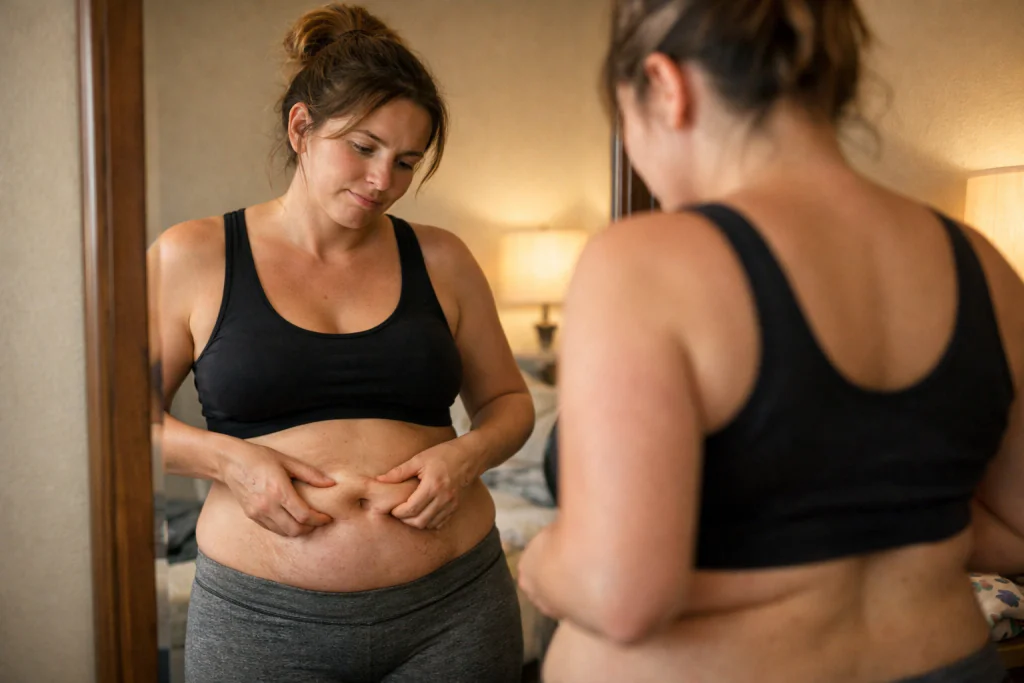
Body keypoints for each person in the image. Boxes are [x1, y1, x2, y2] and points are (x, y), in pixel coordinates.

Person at [518, 1, 1024, 682]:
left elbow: (623, 595)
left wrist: (547, 558)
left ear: (666, 86)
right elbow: (1016, 526)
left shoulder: (647, 260)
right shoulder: (984, 264)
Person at [149, 4, 534, 682]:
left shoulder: (443, 259)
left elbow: (508, 400)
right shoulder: (194, 255)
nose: (384, 180)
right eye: (364, 147)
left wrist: (465, 457)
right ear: (302, 127)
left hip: (453, 612)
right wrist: (228, 461)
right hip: (260, 624)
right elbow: (115, 425)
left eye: (407, 161)